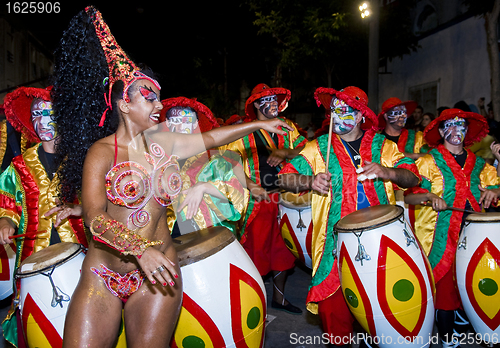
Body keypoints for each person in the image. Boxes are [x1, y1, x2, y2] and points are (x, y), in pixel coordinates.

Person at [51, 7, 293, 347]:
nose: (159, 105)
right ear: (123, 104)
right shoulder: (101, 153)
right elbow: (94, 217)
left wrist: (258, 124)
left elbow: (211, 138)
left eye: (159, 97)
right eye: (149, 97)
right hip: (103, 275)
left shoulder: (164, 142)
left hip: (159, 274)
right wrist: (139, 250)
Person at [278, 86, 420, 348]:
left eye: (345, 111)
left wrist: (388, 172)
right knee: (334, 314)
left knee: (386, 309)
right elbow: (284, 177)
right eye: (334, 111)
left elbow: (413, 177)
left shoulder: (383, 146)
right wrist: (309, 180)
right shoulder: (319, 147)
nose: (337, 116)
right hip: (334, 243)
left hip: (382, 242)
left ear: (358, 116)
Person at [404, 108, 500, 348]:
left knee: (474, 288)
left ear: (468, 131)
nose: (457, 130)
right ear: (441, 130)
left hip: (476, 238)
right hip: (440, 239)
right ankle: (448, 340)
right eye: (451, 125)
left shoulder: (480, 164)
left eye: (462, 126)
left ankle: (462, 323)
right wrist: (428, 196)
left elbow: (497, 189)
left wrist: (495, 191)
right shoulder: (427, 161)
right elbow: (409, 197)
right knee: (445, 294)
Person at [0, 86, 88, 346]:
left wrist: (81, 209)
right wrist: (5, 222)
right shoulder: (19, 166)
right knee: (41, 329)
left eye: (48, 113)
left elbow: (105, 200)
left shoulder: (85, 158)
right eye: (36, 114)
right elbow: (7, 203)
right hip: (31, 257)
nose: (41, 120)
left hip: (81, 253)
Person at [224, 83, 307, 314]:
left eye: (274, 99)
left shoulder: (287, 126)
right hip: (258, 203)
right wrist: (251, 186)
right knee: (256, 254)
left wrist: (285, 153)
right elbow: (228, 163)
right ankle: (252, 303)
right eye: (266, 100)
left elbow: (307, 150)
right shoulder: (245, 130)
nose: (272, 104)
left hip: (286, 200)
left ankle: (278, 299)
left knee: (283, 253)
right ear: (255, 105)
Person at [161, 97, 248, 237]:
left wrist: (205, 187)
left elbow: (239, 203)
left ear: (195, 124)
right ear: (167, 123)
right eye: (176, 121)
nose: (181, 127)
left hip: (210, 239)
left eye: (187, 121)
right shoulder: (158, 160)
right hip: (168, 239)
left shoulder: (214, 162)